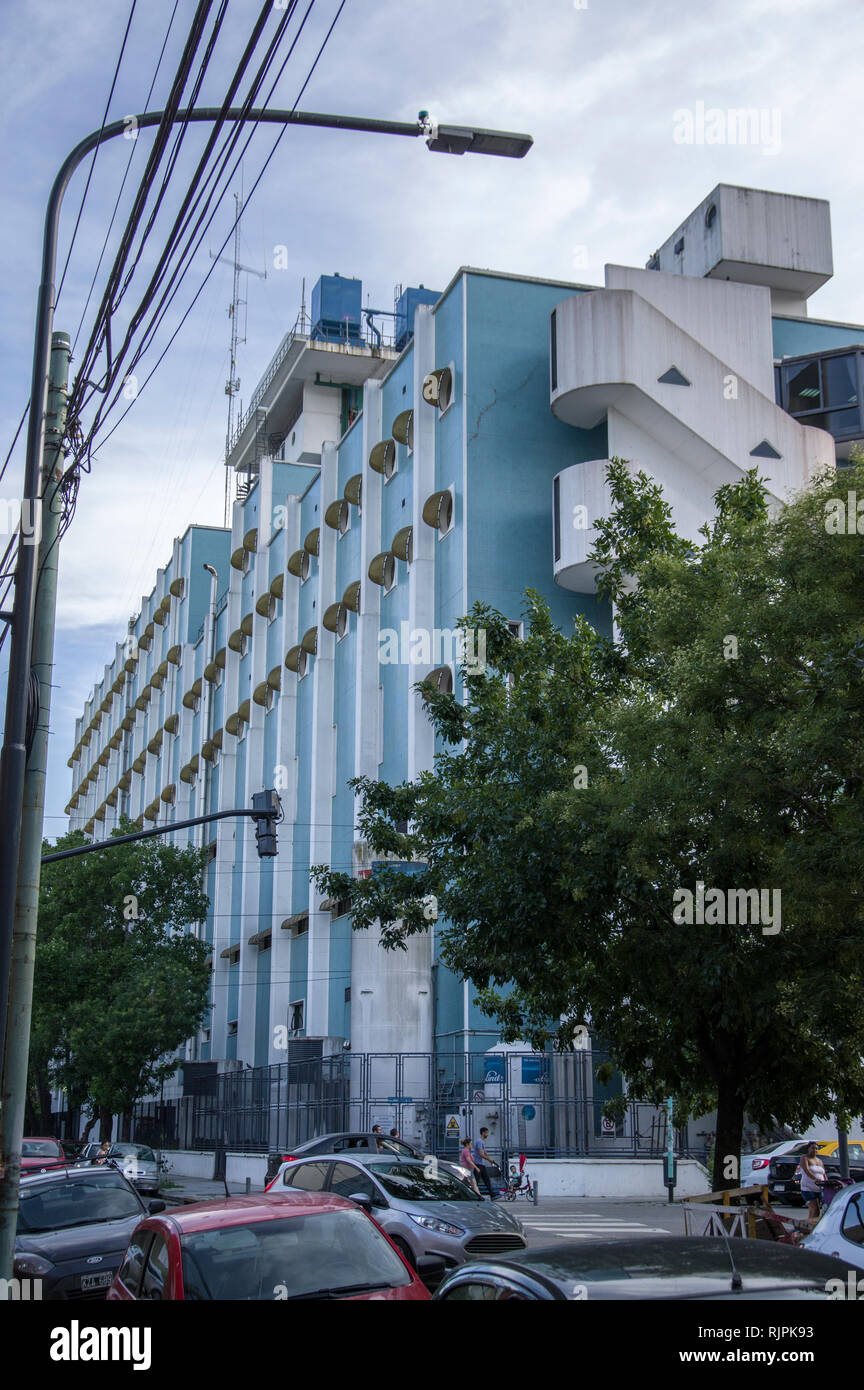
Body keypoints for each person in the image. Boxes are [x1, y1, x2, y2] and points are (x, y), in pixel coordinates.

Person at [799, 1142, 827, 1221]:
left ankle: (807, 1227)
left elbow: (824, 1174)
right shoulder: (804, 1158)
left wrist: (826, 1183)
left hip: (819, 1188)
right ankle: (809, 1228)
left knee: (815, 1211)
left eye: (816, 1148)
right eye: (812, 1148)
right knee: (815, 1210)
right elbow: (806, 1170)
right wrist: (815, 1179)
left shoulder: (820, 1161)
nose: (814, 1150)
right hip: (808, 1188)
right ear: (808, 1149)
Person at [473, 1128, 498, 1199]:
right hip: (478, 1164)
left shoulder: (483, 1142)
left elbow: (485, 1152)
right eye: (486, 1133)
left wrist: (490, 1160)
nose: (487, 1134)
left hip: (482, 1165)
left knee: (487, 1180)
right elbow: (480, 1154)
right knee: (476, 1181)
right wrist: (489, 1159)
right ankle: (474, 1195)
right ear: (483, 1133)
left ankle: (492, 1195)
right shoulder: (479, 1141)